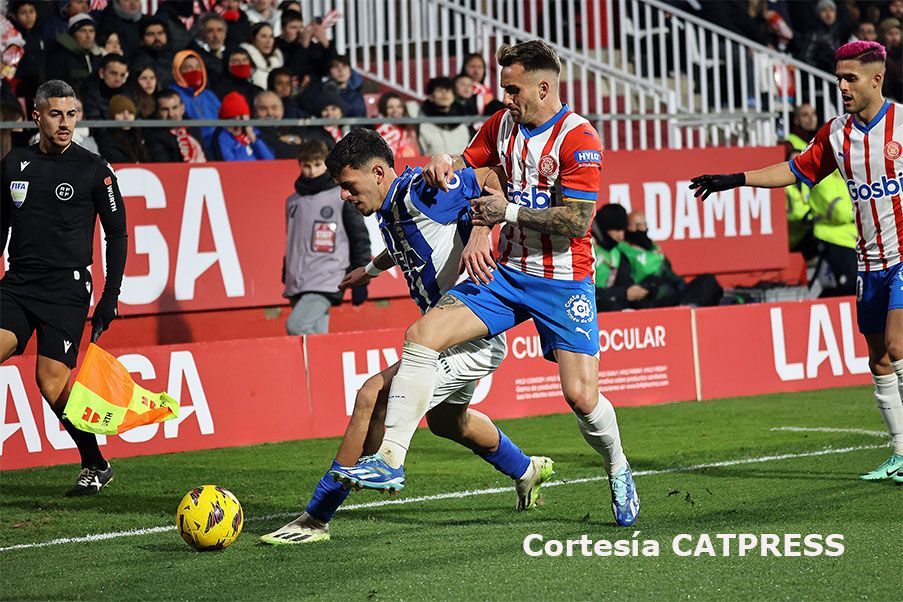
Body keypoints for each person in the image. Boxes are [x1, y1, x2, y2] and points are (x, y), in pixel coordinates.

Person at [330, 40, 640, 527]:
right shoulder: (500, 124)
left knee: (581, 397)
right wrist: (445, 163)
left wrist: (505, 213)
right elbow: (474, 172)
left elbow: (579, 222)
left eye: (513, 89)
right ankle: (391, 459)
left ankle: (618, 466)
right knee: (421, 336)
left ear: (543, 86)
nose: (506, 97)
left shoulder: (579, 138)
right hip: (504, 273)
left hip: (563, 280)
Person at [260, 128, 554, 544]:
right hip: (452, 336)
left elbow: (491, 173)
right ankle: (528, 470)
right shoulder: (390, 208)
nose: (343, 195)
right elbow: (403, 245)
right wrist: (371, 270)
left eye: (348, 185)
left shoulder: (422, 190)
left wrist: (479, 230)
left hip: (471, 334)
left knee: (372, 396)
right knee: (450, 422)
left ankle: (316, 517)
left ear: (379, 172)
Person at [690, 41, 903, 482]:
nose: (841, 86)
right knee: (880, 360)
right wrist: (736, 179)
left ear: (876, 79)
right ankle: (900, 453)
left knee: (900, 347)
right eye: (838, 78)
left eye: (851, 78)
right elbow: (796, 170)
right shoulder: (836, 133)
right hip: (868, 261)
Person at [0, 79, 127, 496]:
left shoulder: (93, 168)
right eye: (56, 114)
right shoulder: (14, 163)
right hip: (17, 284)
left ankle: (95, 462)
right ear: (37, 116)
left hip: (66, 290)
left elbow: (117, 235)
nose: (65, 123)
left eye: (71, 114)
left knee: (50, 383)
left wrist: (109, 298)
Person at [281, 139, 370, 335]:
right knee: (316, 336)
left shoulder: (341, 198)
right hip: (298, 278)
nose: (311, 171)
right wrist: (286, 268)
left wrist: (362, 279)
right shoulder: (293, 201)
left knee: (296, 326)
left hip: (329, 276)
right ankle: (325, 365)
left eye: (317, 165)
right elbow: (293, 239)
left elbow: (359, 238)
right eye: (306, 166)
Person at [170, 49, 221, 148]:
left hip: (218, 143)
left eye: (198, 67)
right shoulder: (173, 95)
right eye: (188, 68)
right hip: (193, 144)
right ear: (178, 71)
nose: (195, 71)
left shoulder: (209, 95)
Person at [211, 91, 275, 161]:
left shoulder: (253, 132)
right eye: (233, 120)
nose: (238, 125)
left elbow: (270, 160)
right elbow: (231, 167)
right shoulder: (221, 138)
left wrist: (253, 139)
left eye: (241, 119)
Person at [145, 89, 206, 163]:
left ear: (182, 108)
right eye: (165, 110)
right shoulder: (153, 135)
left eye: (175, 108)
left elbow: (206, 153)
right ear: (157, 113)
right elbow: (164, 165)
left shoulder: (192, 126)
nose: (171, 114)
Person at [45, 13, 100, 91]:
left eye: (91, 31)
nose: (88, 36)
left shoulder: (96, 57)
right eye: (82, 31)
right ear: (72, 35)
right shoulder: (59, 59)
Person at [417, 76, 472, 155]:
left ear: (453, 95)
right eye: (439, 90)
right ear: (431, 96)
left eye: (448, 90)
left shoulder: (462, 125)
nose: (444, 94)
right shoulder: (424, 125)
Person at [94, 94, 149, 163]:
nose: (126, 117)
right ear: (112, 116)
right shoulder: (106, 137)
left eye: (130, 113)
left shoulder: (140, 135)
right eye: (121, 113)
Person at [253, 90, 303, 159]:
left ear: (282, 110)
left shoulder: (289, 127)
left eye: (274, 108)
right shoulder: (254, 132)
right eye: (263, 109)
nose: (270, 113)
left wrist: (291, 138)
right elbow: (285, 152)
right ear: (255, 112)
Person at [80, 53, 128, 121]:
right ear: (101, 73)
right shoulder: (89, 93)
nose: (118, 79)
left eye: (122, 75)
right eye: (113, 73)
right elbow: (95, 123)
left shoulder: (127, 92)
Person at [186, 12, 227, 89]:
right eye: (210, 31)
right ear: (202, 34)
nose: (216, 36)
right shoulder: (193, 56)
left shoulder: (230, 52)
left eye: (219, 30)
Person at [375, 92, 421, 159]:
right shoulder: (380, 132)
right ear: (383, 109)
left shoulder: (410, 129)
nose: (395, 111)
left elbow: (417, 153)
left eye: (399, 106)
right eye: (390, 107)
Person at [242, 22, 284, 90]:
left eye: (271, 37)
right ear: (253, 39)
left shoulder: (277, 62)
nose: (268, 41)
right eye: (263, 36)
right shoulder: (244, 60)